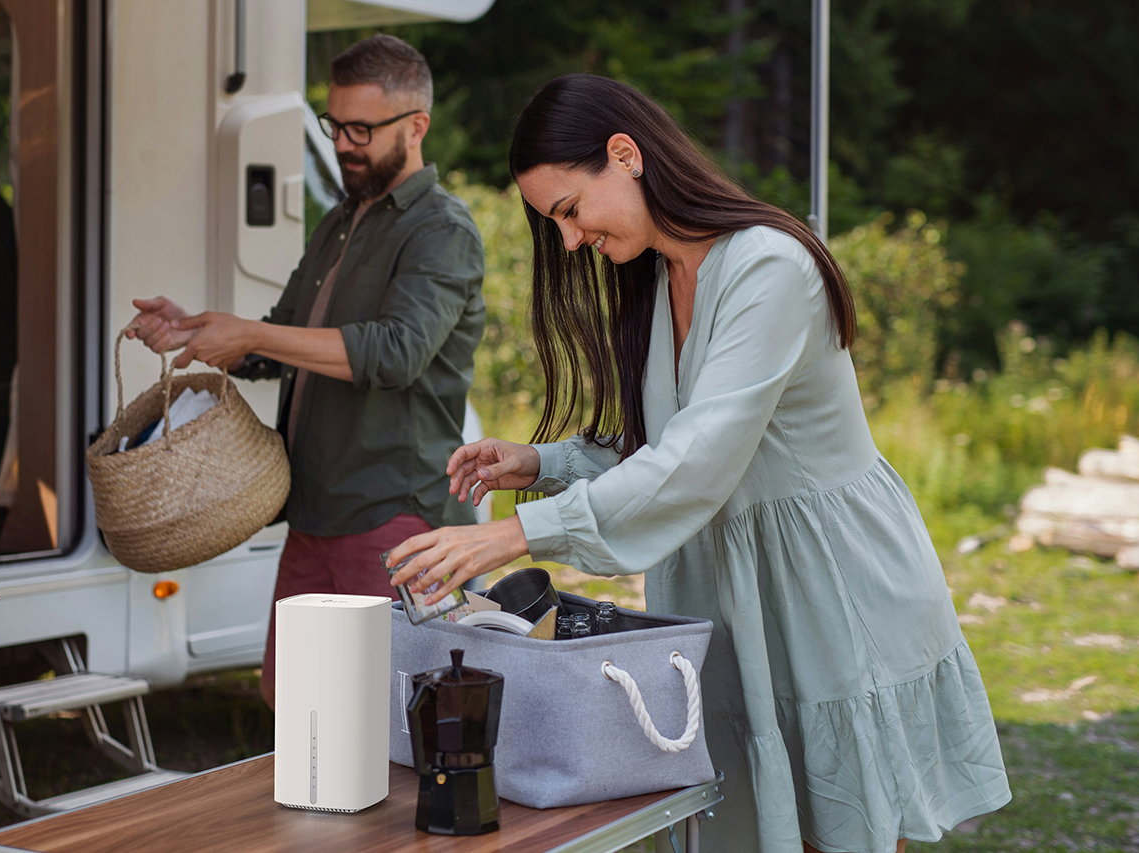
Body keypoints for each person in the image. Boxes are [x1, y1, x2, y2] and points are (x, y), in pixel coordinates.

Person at [384, 74, 1012, 853]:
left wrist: (512, 537)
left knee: (838, 831)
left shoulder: (769, 267)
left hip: (828, 589)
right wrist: (541, 461)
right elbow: (659, 444)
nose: (570, 241)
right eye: (556, 223)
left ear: (625, 155)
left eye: (571, 210)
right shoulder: (657, 275)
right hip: (729, 591)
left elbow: (697, 459)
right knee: (742, 822)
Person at [126, 34, 485, 707]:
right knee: (291, 702)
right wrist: (198, 329)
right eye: (334, 125)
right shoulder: (341, 220)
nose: (343, 144)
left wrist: (253, 333)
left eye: (361, 129)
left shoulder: (442, 231)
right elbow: (282, 336)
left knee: (387, 717)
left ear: (416, 127)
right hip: (313, 506)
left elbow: (396, 352)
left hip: (392, 514)